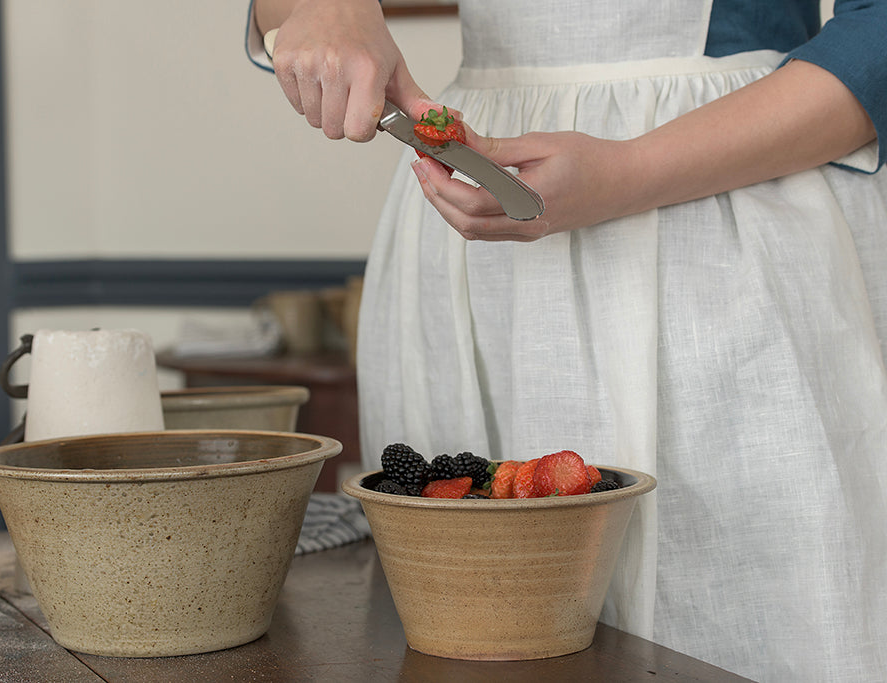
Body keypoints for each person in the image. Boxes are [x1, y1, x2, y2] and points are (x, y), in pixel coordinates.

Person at [246, 1, 887, 680]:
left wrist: (631, 171)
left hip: (721, 204)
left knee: (752, 615)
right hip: (477, 242)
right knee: (476, 634)